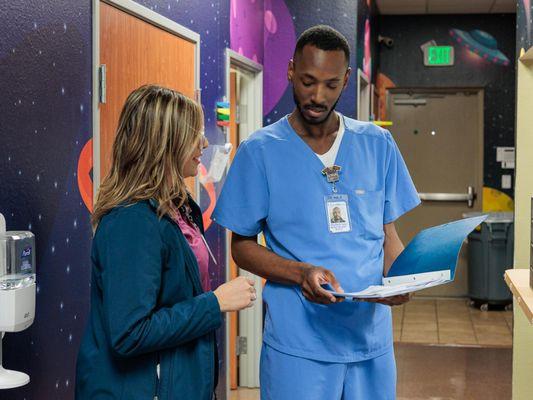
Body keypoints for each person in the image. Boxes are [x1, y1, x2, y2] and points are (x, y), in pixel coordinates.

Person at [212, 25, 420, 399]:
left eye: (330, 84)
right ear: (291, 70)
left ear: (345, 81)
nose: (317, 96)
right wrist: (300, 273)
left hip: (369, 343)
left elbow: (386, 235)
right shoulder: (260, 151)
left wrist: (405, 281)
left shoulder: (377, 144)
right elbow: (241, 246)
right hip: (299, 345)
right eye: (308, 81)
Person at [75, 85, 256, 400]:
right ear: (165, 143)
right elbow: (130, 333)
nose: (203, 142)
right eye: (194, 134)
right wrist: (215, 303)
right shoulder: (131, 221)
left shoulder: (179, 206)